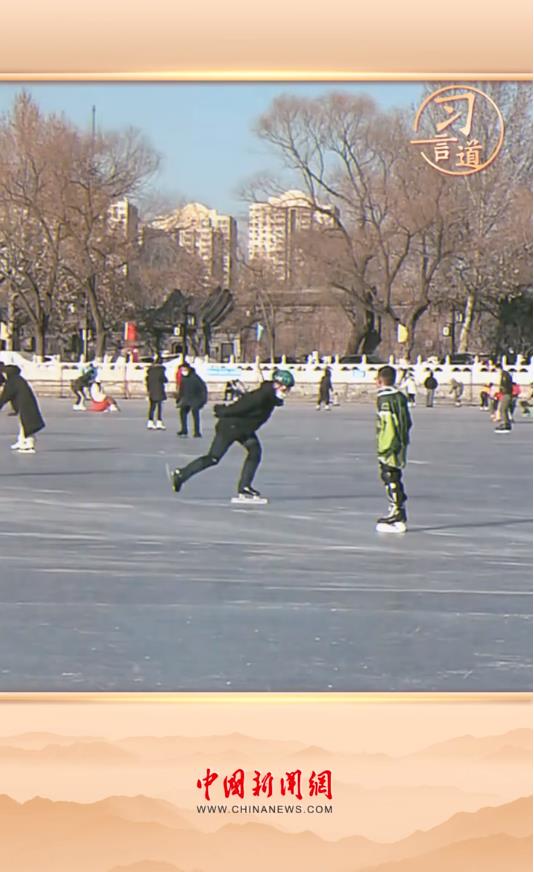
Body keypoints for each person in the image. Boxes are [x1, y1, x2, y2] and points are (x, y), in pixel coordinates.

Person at [169, 369, 295, 501]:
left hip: (243, 430)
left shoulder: (269, 397)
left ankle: (245, 487)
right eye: (285, 388)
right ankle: (181, 474)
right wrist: (222, 410)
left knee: (255, 452)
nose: (287, 392)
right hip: (230, 427)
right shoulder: (261, 396)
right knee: (213, 458)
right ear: (277, 385)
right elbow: (241, 406)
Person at [375, 365, 412, 533]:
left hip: (391, 444)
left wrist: (384, 447)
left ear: (380, 380)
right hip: (401, 441)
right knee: (395, 475)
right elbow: (407, 421)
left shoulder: (385, 399)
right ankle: (399, 509)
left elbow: (388, 424)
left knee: (389, 475)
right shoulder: (400, 396)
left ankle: (397, 512)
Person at [0, 364, 45, 453]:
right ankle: (21, 441)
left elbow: (5, 396)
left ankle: (29, 446)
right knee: (24, 424)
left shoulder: (12, 382)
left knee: (27, 425)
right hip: (26, 405)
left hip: (26, 406)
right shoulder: (18, 380)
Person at [176, 362, 208, 438]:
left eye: (184, 369)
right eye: (182, 370)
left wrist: (202, 400)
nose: (183, 371)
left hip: (195, 399)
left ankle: (197, 432)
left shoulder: (195, 378)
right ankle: (184, 430)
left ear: (188, 369)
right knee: (182, 413)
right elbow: (181, 390)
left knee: (195, 415)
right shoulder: (183, 378)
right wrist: (179, 399)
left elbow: (203, 389)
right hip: (186, 399)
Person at [145, 355, 167, 430]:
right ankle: (159, 422)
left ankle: (150, 422)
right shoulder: (161, 370)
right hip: (159, 390)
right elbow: (164, 379)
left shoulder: (150, 371)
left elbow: (147, 380)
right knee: (159, 407)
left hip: (151, 390)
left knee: (152, 407)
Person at [494, 367, 514, 433]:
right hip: (505, 394)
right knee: (502, 409)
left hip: (506, 394)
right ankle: (505, 423)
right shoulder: (505, 374)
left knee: (503, 409)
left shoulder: (504, 375)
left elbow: (505, 385)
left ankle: (506, 424)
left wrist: (501, 389)